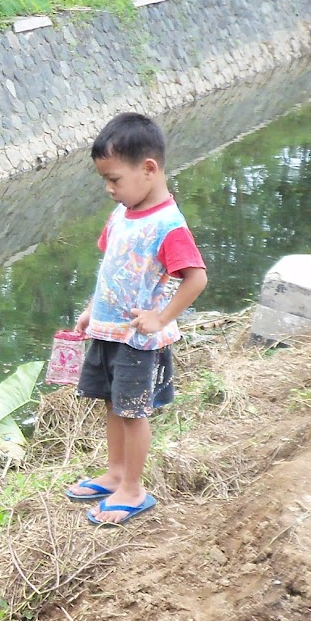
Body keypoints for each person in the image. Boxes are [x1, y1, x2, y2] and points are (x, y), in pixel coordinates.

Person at [64, 112, 208, 527]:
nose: (109, 189)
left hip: (138, 339)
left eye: (114, 179)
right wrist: (93, 309)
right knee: (112, 402)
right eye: (105, 180)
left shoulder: (168, 225)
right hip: (108, 331)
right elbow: (109, 268)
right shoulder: (122, 214)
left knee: (132, 411)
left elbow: (196, 278)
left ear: (149, 169)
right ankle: (115, 474)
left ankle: (134, 488)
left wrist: (160, 317)